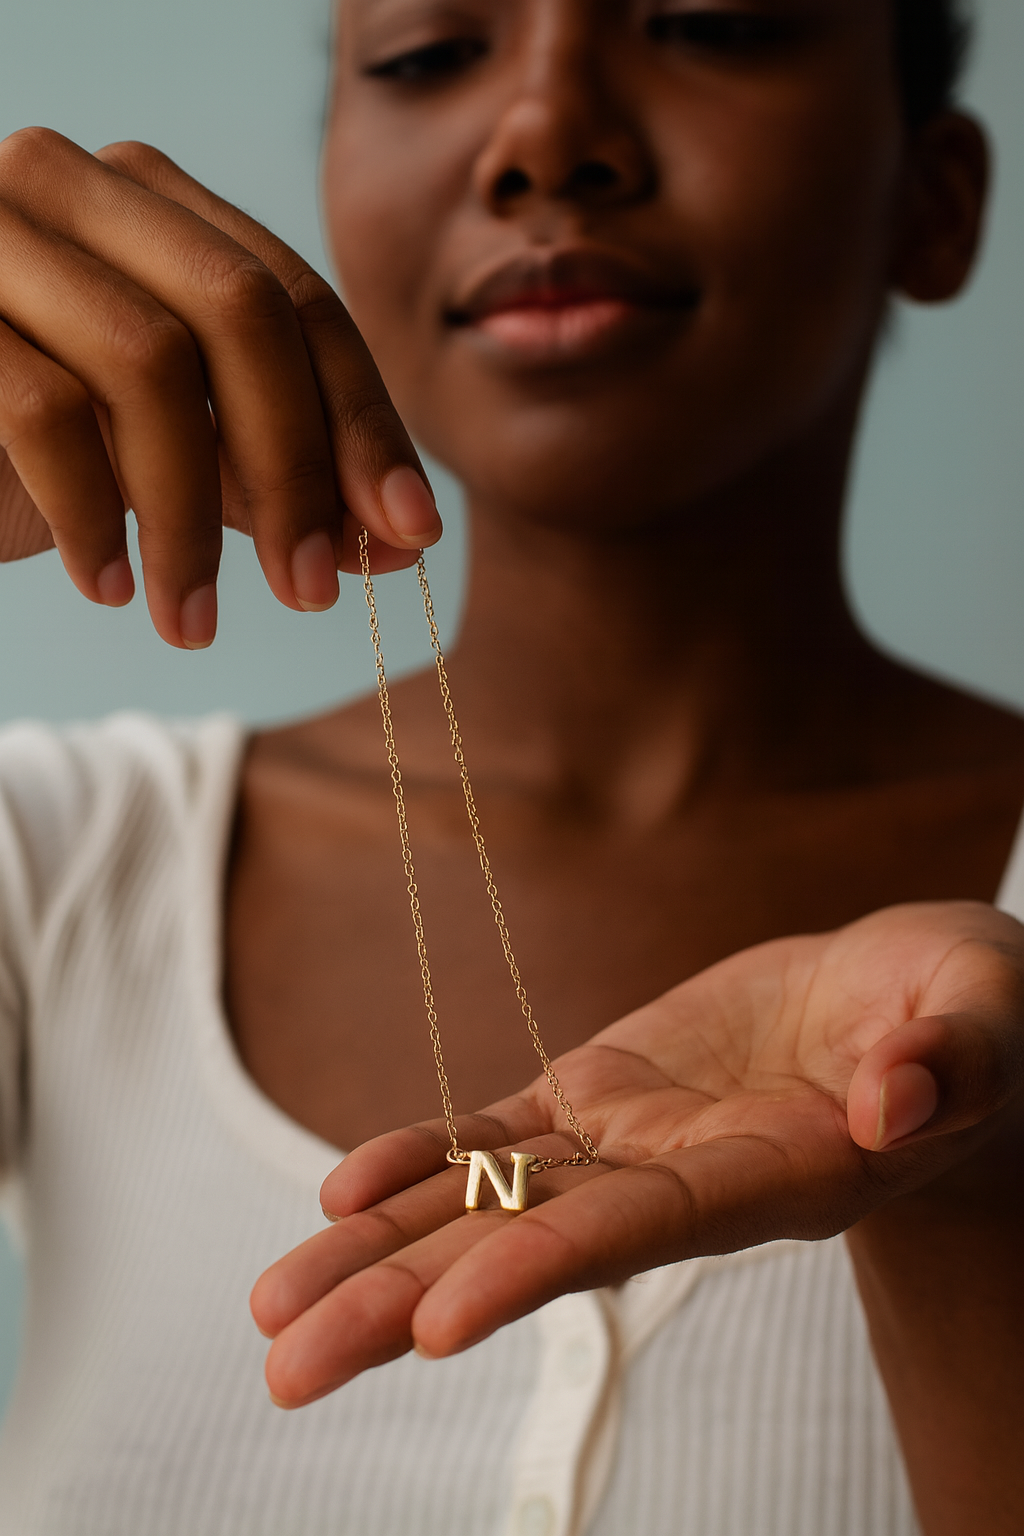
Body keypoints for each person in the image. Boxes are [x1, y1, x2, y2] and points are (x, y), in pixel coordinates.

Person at [0, 1, 1021, 1533]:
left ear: (934, 200)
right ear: (336, 180)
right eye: (424, 55)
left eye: (714, 22)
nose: (543, 136)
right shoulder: (60, 867)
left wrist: (977, 1198)